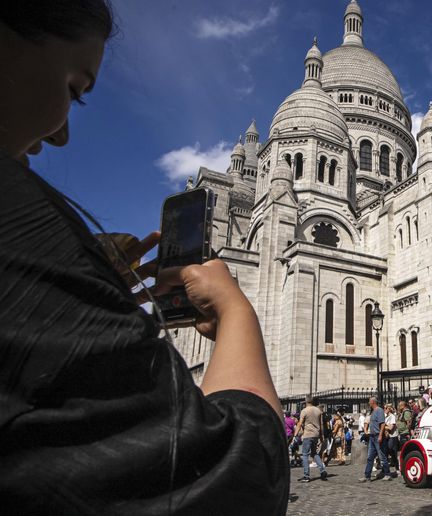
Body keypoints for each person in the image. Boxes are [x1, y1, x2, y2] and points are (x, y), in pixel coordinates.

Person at [0, 2, 288, 513]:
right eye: (74, 89)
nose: (62, 133)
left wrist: (88, 289)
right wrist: (235, 311)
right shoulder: (19, 229)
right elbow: (238, 479)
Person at [294, 396, 327, 482]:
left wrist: (295, 434)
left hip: (308, 434)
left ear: (305, 401)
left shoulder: (304, 411)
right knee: (314, 453)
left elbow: (300, 424)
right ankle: (322, 470)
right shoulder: (318, 411)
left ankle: (306, 475)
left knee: (305, 454)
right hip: (316, 434)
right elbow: (321, 425)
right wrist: (321, 436)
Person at [360, 397, 392, 482]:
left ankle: (387, 474)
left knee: (382, 456)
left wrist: (381, 435)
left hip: (378, 436)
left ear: (373, 402)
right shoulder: (373, 411)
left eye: (369, 402)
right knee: (370, 457)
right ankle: (367, 476)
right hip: (372, 437)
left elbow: (382, 424)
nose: (369, 404)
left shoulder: (379, 410)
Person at [384, 403, 399, 471]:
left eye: (385, 408)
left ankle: (397, 468)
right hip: (387, 436)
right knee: (386, 452)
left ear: (388, 409)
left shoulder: (392, 416)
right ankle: (385, 469)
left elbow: (391, 427)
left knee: (392, 452)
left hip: (392, 436)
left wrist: (383, 426)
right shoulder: (386, 416)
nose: (384, 410)